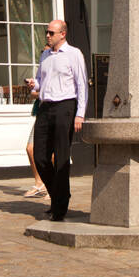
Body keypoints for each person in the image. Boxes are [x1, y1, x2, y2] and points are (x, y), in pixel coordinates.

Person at [27, 19, 87, 222]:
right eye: (47, 32)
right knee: (40, 156)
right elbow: (40, 81)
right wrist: (34, 84)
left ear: (63, 34)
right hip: (46, 106)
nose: (47, 35)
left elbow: (81, 84)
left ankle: (59, 207)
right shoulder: (45, 55)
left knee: (61, 157)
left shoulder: (74, 54)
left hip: (65, 106)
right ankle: (59, 195)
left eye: (51, 33)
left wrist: (80, 113)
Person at [23, 87, 47, 199]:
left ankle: (55, 186)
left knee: (53, 153)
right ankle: (40, 183)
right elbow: (33, 94)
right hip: (41, 113)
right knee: (30, 148)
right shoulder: (41, 72)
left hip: (56, 114)